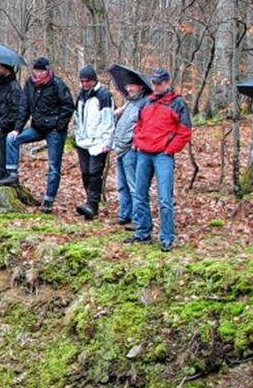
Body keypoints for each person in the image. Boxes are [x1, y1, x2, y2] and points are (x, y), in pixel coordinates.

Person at [127, 68, 192, 252]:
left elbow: (185, 131)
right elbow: (138, 125)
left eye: (159, 83)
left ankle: (167, 236)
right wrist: (138, 141)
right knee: (139, 195)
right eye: (154, 83)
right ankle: (143, 232)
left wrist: (169, 149)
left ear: (167, 83)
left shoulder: (177, 103)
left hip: (163, 155)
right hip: (144, 153)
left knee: (164, 198)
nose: (156, 86)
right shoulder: (146, 102)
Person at [0, 57, 74, 213]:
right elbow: (24, 107)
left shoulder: (57, 84)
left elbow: (68, 106)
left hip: (54, 130)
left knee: (54, 166)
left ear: (47, 71)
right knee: (11, 139)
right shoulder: (30, 84)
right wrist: (18, 129)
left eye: (42, 71)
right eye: (36, 71)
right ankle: (12, 173)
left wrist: (58, 126)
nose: (39, 74)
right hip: (37, 127)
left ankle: (49, 199)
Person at [107, 74, 151, 226]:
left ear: (141, 87)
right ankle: (125, 214)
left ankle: (138, 219)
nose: (128, 88)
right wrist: (119, 113)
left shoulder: (145, 103)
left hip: (131, 149)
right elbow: (121, 123)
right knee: (122, 185)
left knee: (134, 186)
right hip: (120, 148)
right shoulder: (130, 103)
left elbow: (144, 125)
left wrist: (136, 143)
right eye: (128, 86)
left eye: (132, 85)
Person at [72, 65, 115, 219]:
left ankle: (93, 204)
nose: (85, 84)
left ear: (93, 80)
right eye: (82, 81)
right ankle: (89, 202)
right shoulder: (81, 95)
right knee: (85, 173)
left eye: (87, 81)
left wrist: (107, 142)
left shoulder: (104, 95)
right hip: (83, 140)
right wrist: (77, 134)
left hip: (98, 141)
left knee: (94, 173)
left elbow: (108, 120)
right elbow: (77, 116)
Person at [0, 62, 24, 183]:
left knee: (3, 159)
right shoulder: (2, 85)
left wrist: (4, 125)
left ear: (5, 68)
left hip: (3, 128)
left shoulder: (13, 86)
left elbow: (16, 109)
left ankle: (4, 181)